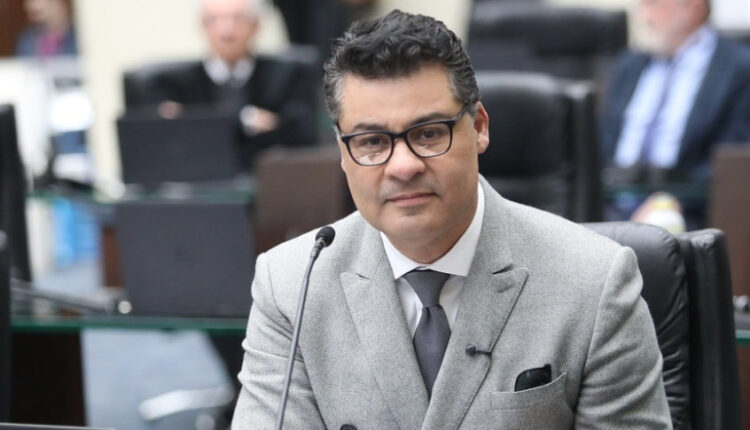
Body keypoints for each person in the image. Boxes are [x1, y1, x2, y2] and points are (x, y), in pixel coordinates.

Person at [232, 10, 671, 429]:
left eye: (428, 134)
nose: (403, 166)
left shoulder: (594, 282)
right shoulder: (293, 285)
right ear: (343, 153)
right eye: (371, 141)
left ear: (479, 127)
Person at [601, 0, 750, 226]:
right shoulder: (629, 64)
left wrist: (666, 204)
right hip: (609, 210)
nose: (643, 17)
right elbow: (604, 143)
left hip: (687, 216)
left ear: (693, 7)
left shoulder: (739, 69)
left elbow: (731, 162)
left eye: (653, 4)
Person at [144, 0, 317, 168]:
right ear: (202, 26)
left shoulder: (286, 77)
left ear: (256, 25)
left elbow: (301, 134)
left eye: (238, 19)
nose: (226, 31)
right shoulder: (173, 86)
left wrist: (201, 120)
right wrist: (247, 119)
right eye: (214, 20)